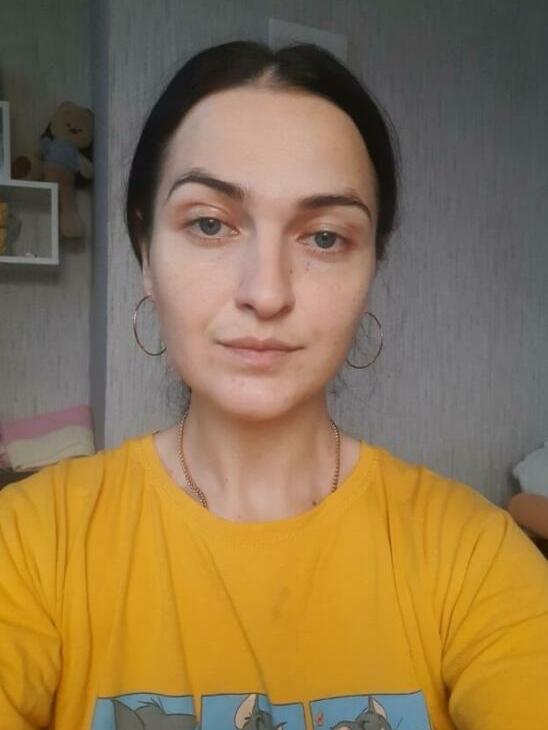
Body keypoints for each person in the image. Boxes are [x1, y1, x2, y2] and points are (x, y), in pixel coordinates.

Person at [0, 40, 547, 730]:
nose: (266, 292)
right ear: (144, 252)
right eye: (209, 224)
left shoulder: (475, 554)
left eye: (324, 238)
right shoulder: (30, 543)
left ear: (371, 266)